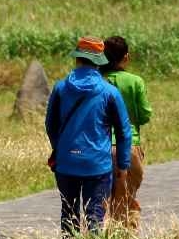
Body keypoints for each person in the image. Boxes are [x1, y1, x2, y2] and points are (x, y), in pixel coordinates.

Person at [46, 37, 132, 236]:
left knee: (69, 216)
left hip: (66, 164)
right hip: (98, 165)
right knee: (95, 218)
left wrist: (61, 148)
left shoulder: (60, 88)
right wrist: (123, 164)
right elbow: (123, 131)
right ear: (99, 61)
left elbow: (50, 124)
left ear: (77, 59)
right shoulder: (110, 92)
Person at [102, 36, 151, 232]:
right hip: (130, 145)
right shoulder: (135, 82)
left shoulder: (99, 80)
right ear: (126, 57)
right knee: (128, 197)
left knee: (106, 200)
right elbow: (145, 114)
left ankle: (107, 233)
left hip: (101, 146)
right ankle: (126, 233)